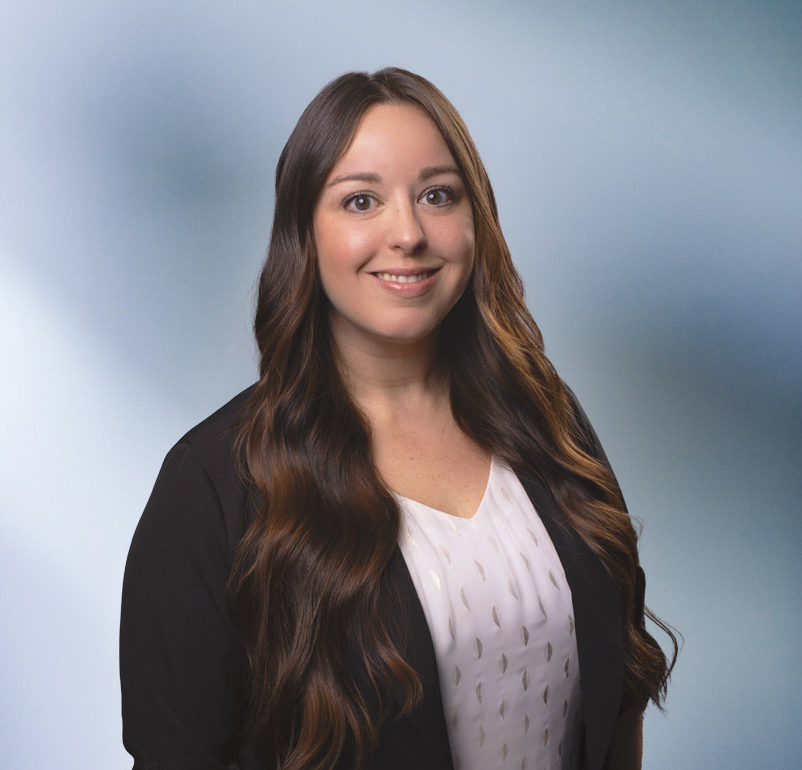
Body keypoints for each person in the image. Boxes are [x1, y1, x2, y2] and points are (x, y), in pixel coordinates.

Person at [120, 67, 675, 770]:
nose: (407, 232)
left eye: (437, 195)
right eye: (360, 201)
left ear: (477, 220)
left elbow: (616, 689)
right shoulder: (212, 486)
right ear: (303, 234)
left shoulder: (547, 426)